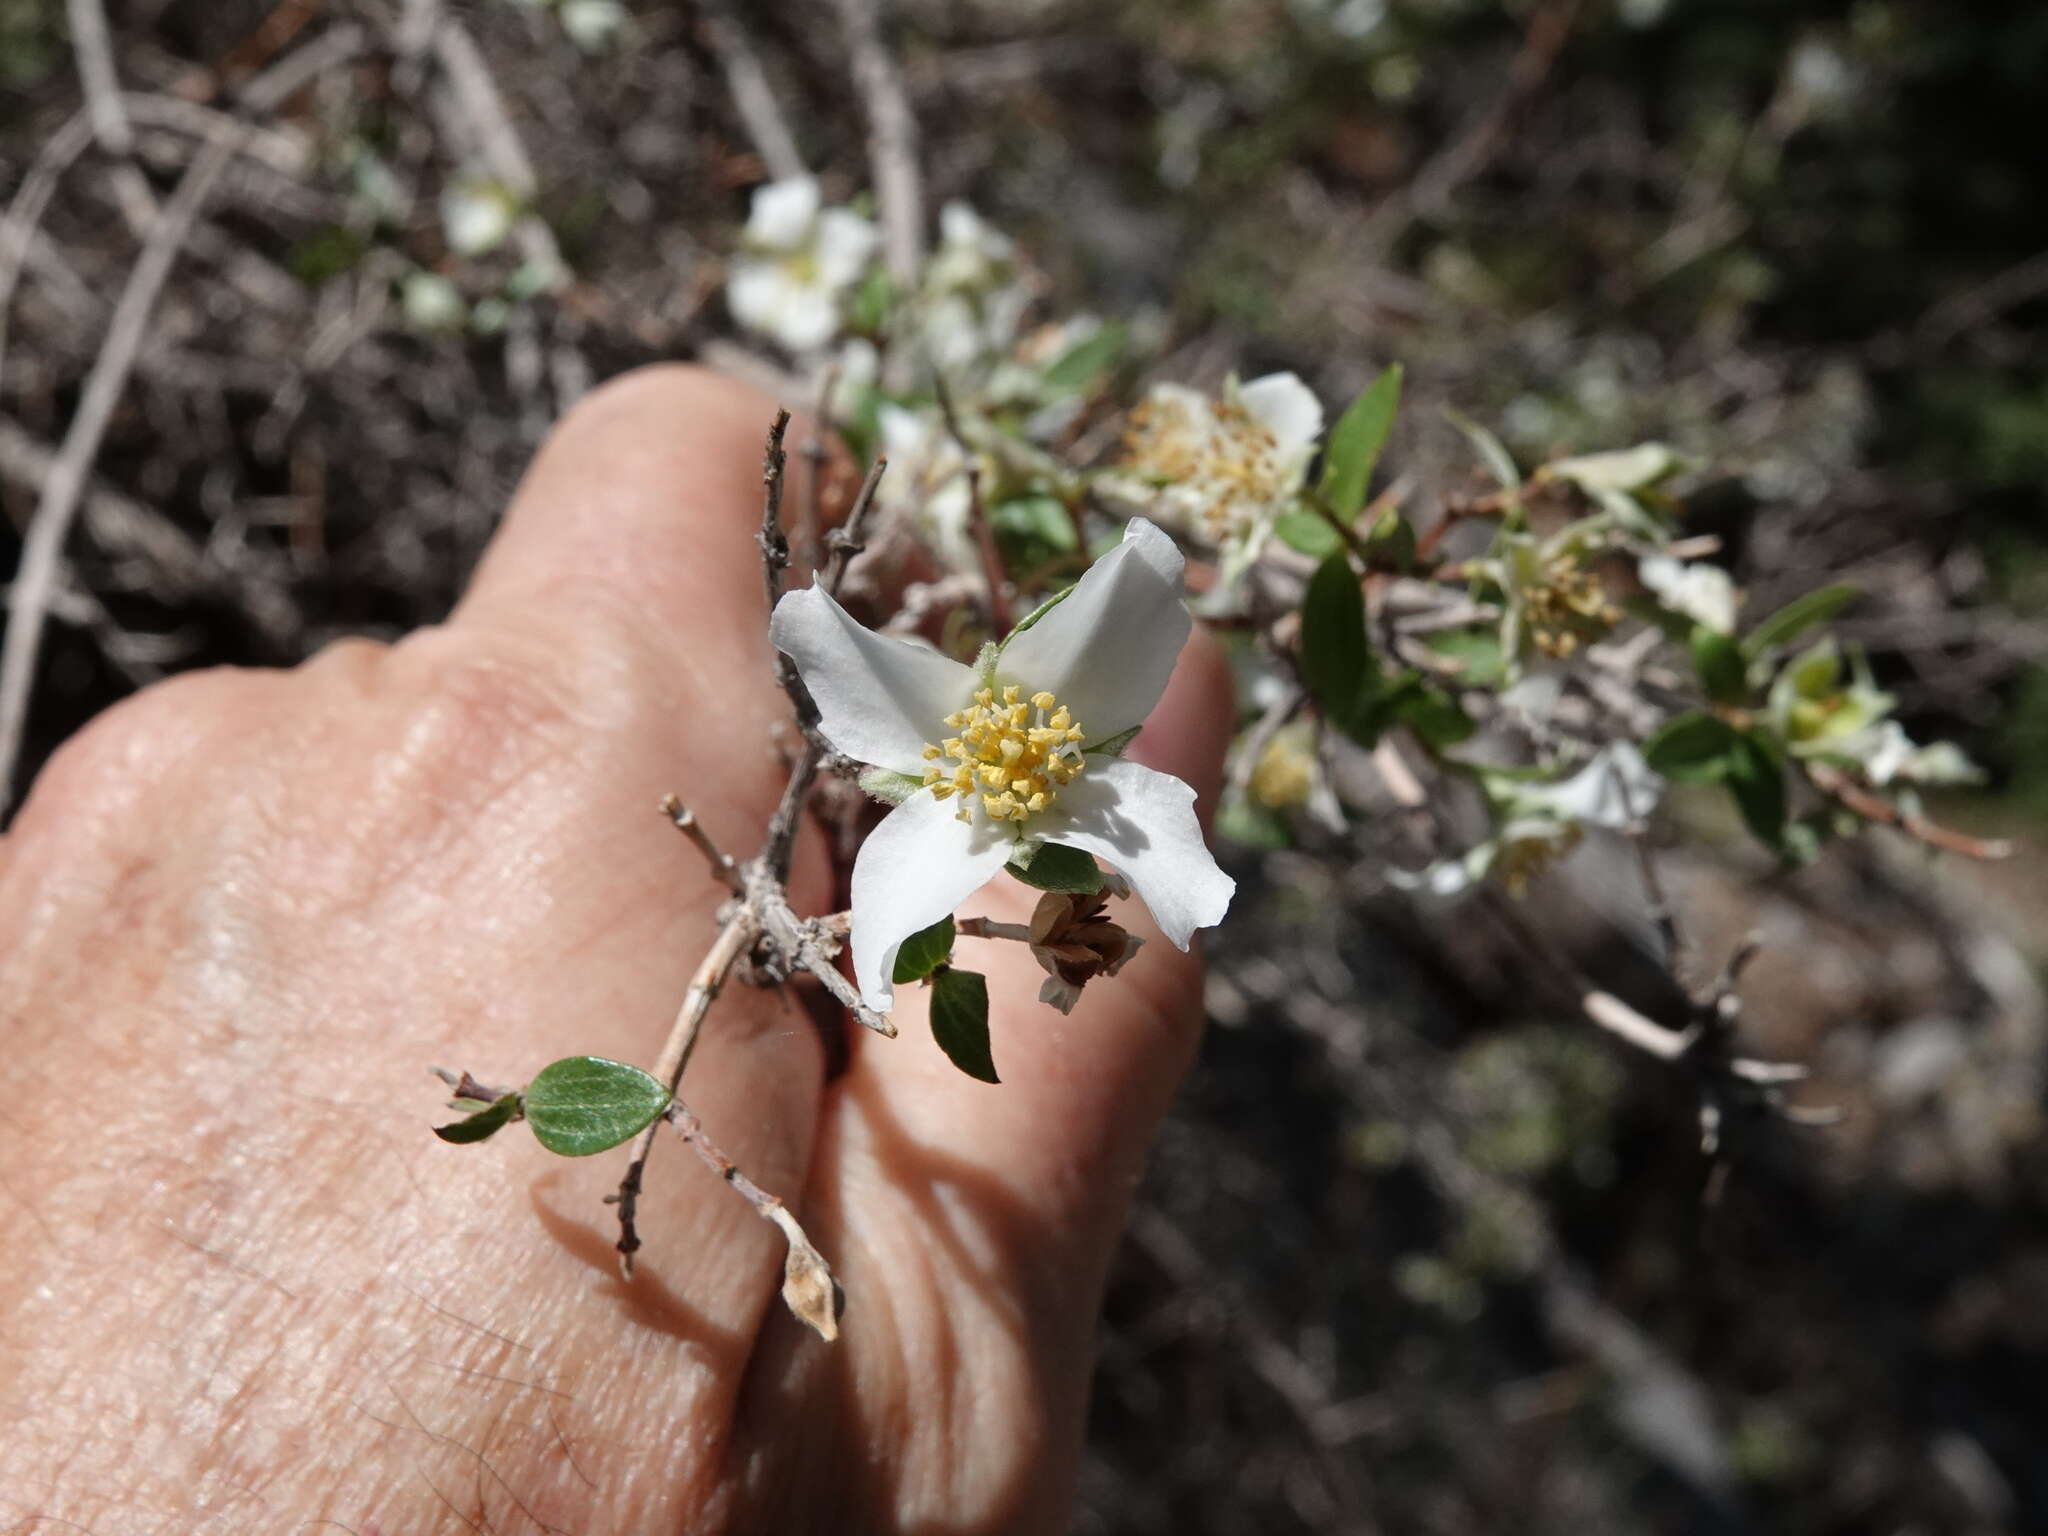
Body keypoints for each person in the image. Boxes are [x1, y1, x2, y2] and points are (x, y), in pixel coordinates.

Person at [0, 367, 1230, 1531]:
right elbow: (892, 879)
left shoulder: (1033, 788)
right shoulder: (926, 791)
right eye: (1005, 748)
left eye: (1023, 754)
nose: (1014, 760)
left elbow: (939, 871)